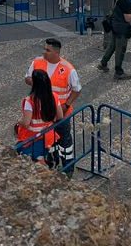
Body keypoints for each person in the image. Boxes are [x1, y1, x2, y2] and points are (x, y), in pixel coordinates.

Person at [25, 38, 80, 171]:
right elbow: (27, 78)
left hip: (61, 113)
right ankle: (52, 163)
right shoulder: (37, 62)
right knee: (49, 142)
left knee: (65, 142)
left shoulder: (68, 69)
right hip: (43, 114)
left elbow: (77, 89)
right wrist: (37, 83)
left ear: (56, 52)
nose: (44, 52)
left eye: (47, 50)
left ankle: (68, 167)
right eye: (44, 49)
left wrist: (66, 105)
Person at [16, 69, 64, 165]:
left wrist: (18, 122)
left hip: (33, 138)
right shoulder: (54, 96)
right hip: (49, 135)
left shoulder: (30, 100)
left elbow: (26, 123)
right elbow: (60, 116)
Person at [99, 0, 131, 80]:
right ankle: (118, 71)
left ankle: (103, 62)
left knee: (112, 45)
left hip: (114, 24)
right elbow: (128, 18)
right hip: (121, 27)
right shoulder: (126, 2)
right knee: (120, 49)